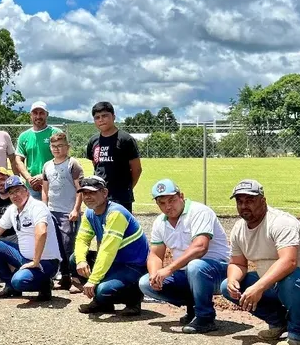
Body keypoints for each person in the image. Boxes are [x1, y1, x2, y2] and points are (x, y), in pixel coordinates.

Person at [220, 179, 300, 345]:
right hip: (275, 282)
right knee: (226, 286)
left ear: (263, 201)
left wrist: (259, 287)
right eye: (240, 201)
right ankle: (279, 323)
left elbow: (289, 262)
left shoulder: (281, 222)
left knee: (289, 279)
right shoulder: (238, 229)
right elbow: (238, 263)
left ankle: (298, 335)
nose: (244, 206)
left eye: (250, 200)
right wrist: (233, 280)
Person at [139, 179, 231, 334]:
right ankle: (193, 308)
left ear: (181, 196)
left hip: (218, 272)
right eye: (162, 203)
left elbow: (200, 247)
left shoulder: (199, 211)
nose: (168, 206)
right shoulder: (159, 222)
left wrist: (168, 269)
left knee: (195, 266)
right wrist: (155, 275)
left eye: (172, 200)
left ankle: (205, 317)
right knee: (145, 283)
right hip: (189, 273)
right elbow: (155, 255)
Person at [0, 175, 61, 301]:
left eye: (17, 190)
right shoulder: (13, 209)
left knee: (19, 281)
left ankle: (44, 284)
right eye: (11, 192)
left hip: (45, 261)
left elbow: (41, 232)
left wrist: (35, 261)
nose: (14, 195)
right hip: (24, 258)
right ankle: (10, 286)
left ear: (26, 190)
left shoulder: (37, 207)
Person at [71, 176, 148, 315]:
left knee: (103, 290)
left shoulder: (116, 213)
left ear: (105, 193)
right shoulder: (90, 212)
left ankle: (134, 298)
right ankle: (103, 303)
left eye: (92, 192)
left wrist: (93, 280)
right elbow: (82, 239)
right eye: (84, 193)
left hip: (133, 266)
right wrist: (81, 260)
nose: (87, 197)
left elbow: (107, 250)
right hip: (115, 262)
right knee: (74, 259)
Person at [41, 132, 83, 289]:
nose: (56, 149)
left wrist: (76, 209)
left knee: (68, 246)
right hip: (52, 211)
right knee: (56, 245)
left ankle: (76, 278)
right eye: (53, 146)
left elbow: (80, 189)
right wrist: (44, 208)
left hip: (68, 212)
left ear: (67, 147)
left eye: (60, 146)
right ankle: (64, 277)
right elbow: (45, 189)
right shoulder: (47, 165)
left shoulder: (73, 164)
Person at [85, 102, 142, 212]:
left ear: (113, 117)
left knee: (119, 222)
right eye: (97, 117)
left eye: (105, 116)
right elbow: (96, 165)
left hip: (120, 196)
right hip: (99, 194)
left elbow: (137, 169)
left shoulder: (125, 139)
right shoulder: (93, 141)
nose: (101, 120)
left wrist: (127, 188)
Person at [14, 101, 61, 199]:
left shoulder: (55, 133)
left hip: (54, 184)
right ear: (30, 115)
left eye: (41, 113)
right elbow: (19, 160)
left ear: (47, 114)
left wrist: (44, 176)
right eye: (35, 113)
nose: (38, 116)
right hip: (33, 187)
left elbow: (62, 158)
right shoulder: (24, 136)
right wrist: (29, 179)